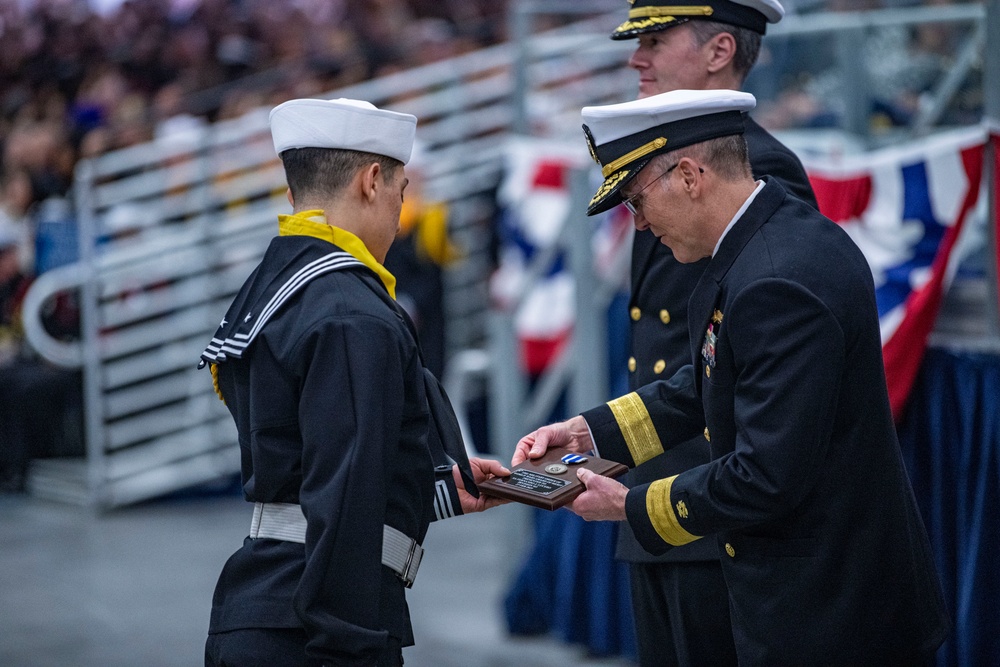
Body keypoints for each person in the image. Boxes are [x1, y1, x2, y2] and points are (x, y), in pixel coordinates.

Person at [513, 89, 950, 665]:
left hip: (829, 610)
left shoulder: (776, 278)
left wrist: (630, 504)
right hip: (810, 592)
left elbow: (767, 473)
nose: (640, 226)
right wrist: (590, 435)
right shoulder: (764, 243)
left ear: (690, 175)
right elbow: (706, 382)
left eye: (637, 202)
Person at [200, 97, 509, 667]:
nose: (400, 208)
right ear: (371, 181)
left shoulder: (280, 285)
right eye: (400, 190)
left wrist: (434, 487)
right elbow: (340, 496)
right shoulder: (350, 313)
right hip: (318, 628)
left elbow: (303, 458)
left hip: (273, 607)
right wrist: (353, 644)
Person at [608, 1, 817, 664]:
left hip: (714, 511)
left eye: (656, 40)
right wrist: (598, 439)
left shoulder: (758, 173)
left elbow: (726, 368)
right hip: (659, 501)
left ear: (719, 50)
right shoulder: (666, 159)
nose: (636, 58)